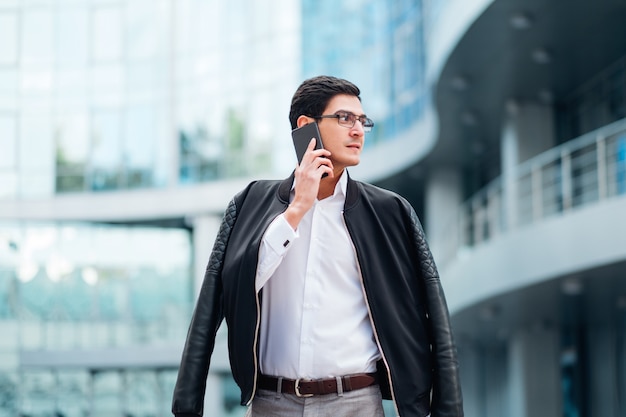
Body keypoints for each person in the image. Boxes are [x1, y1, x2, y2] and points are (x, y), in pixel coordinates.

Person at [172, 75, 463, 417]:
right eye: (344, 118)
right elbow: (221, 298)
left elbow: (435, 318)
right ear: (306, 126)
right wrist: (297, 210)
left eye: (362, 121)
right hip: (270, 403)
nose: (358, 131)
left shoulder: (391, 212)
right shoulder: (250, 203)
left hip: (356, 403)